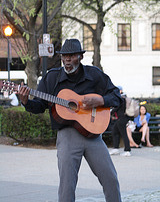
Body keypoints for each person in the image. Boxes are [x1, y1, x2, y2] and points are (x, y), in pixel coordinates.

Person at [18, 39, 123, 202]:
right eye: (64, 56)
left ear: (80, 57)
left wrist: (100, 101)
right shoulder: (51, 78)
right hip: (67, 136)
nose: (67, 60)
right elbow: (39, 106)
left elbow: (117, 96)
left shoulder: (94, 74)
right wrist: (25, 101)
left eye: (71, 56)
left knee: (111, 179)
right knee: (67, 186)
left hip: (94, 134)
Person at [109, 86, 132, 157]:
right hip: (120, 119)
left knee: (124, 134)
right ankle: (116, 148)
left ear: (121, 91)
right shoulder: (123, 97)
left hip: (122, 119)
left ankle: (127, 150)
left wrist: (110, 112)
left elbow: (116, 108)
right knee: (115, 132)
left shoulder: (121, 98)